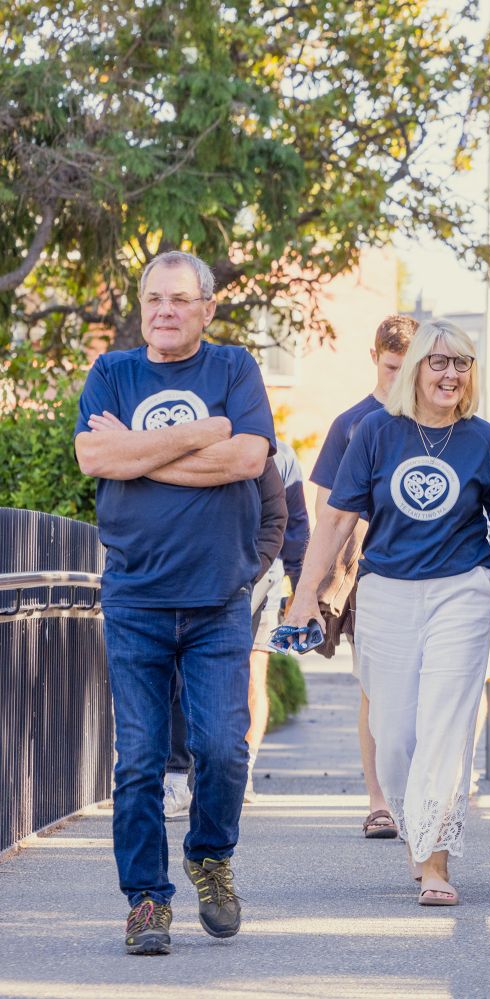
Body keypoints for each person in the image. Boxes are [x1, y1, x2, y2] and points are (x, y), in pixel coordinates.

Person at [74, 250, 275, 955]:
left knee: (222, 748)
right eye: (154, 298)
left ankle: (211, 854)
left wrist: (141, 447)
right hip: (136, 596)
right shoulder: (112, 372)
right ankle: (147, 901)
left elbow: (249, 458)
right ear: (142, 304)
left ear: (207, 307)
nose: (164, 309)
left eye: (180, 299)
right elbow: (96, 459)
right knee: (139, 760)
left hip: (219, 595)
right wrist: (202, 431)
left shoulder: (234, 369)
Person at [286, 318, 490, 905]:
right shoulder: (376, 433)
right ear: (414, 369)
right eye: (438, 362)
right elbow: (336, 519)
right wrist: (304, 594)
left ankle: (435, 860)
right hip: (385, 589)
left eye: (461, 363)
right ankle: (417, 824)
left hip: (461, 589)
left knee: (444, 726)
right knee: (393, 734)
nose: (450, 374)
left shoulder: (485, 440)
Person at [309, 314, 417, 838]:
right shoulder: (353, 423)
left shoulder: (437, 417)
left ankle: (419, 791)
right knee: (375, 690)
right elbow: (324, 506)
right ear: (375, 357)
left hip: (429, 573)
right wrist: (315, 583)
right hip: (364, 576)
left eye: (409, 366)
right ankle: (379, 801)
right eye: (393, 366)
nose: (400, 378)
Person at [163, 453, 287, 819]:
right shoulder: (169, 437)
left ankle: (221, 786)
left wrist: (246, 573)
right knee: (176, 680)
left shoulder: (258, 448)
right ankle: (175, 777)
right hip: (174, 583)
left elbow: (279, 519)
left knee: (231, 685)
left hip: (239, 587)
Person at [246, 437, 309, 800]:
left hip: (266, 576)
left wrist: (302, 592)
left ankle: (245, 768)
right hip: (217, 573)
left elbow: (296, 525)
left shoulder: (281, 454)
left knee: (255, 670)